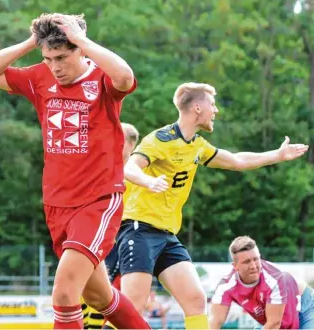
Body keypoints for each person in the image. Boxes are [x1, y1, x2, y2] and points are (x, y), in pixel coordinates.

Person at [0, 13, 150, 330]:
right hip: (56, 204)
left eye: (62, 57)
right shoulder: (39, 77)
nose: (55, 66)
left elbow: (125, 76)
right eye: (48, 58)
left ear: (80, 51)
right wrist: (30, 42)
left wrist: (82, 39)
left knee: (65, 294)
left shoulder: (101, 79)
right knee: (100, 298)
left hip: (97, 200)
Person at [117, 82, 309, 329]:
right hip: (139, 229)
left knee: (196, 300)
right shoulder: (160, 139)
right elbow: (129, 167)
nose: (216, 111)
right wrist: (149, 181)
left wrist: (277, 155)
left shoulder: (197, 145)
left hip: (166, 234)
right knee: (133, 305)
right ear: (197, 108)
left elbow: (237, 160)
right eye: (212, 104)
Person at [83, 123, 140, 329]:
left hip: (118, 237)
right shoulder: (100, 163)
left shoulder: (133, 169)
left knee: (106, 290)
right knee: (86, 284)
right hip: (96, 232)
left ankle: (94, 327)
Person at [209, 236, 314, 329]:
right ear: (235, 266)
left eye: (256, 259)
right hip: (273, 314)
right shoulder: (225, 285)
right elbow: (215, 321)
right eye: (247, 262)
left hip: (305, 306)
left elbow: (274, 324)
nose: (253, 266)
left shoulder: (274, 278)